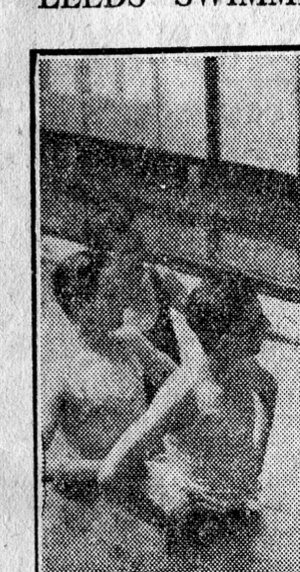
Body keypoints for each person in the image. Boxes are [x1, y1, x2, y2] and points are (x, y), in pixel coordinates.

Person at [99, 273, 278, 532]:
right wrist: (164, 523)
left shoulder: (244, 366)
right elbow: (110, 474)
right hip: (196, 520)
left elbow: (270, 388)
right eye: (255, 324)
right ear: (224, 339)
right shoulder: (185, 393)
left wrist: (257, 457)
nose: (267, 325)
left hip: (239, 505)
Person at [41, 251, 177, 485]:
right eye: (111, 295)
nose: (124, 302)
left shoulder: (131, 341)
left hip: (150, 477)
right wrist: (106, 468)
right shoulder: (62, 370)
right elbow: (31, 459)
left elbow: (181, 386)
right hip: (99, 491)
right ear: (80, 305)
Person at [83, 204, 187, 366]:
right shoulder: (104, 291)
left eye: (137, 248)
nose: (135, 256)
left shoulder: (158, 276)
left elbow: (188, 308)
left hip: (172, 359)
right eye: (125, 253)